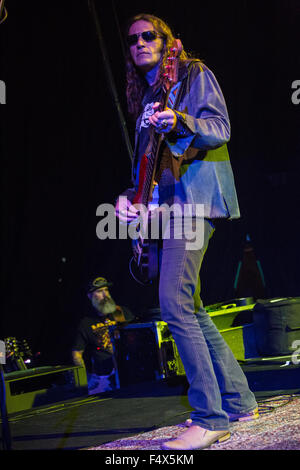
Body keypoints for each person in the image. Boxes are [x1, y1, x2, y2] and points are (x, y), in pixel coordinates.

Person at [115, 14, 259, 450]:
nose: (140, 43)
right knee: (190, 306)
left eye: (149, 35)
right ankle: (239, 400)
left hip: (196, 203)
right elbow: (148, 169)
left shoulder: (193, 74)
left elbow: (219, 128)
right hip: (170, 208)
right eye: (133, 39)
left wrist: (178, 119)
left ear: (167, 39)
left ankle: (210, 417)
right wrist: (129, 197)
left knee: (173, 303)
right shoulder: (145, 101)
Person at [72, 276, 134, 392]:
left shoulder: (121, 312)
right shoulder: (86, 322)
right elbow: (77, 354)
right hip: (103, 379)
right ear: (90, 296)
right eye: (100, 291)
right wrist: (87, 378)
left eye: (106, 290)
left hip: (127, 371)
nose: (105, 295)